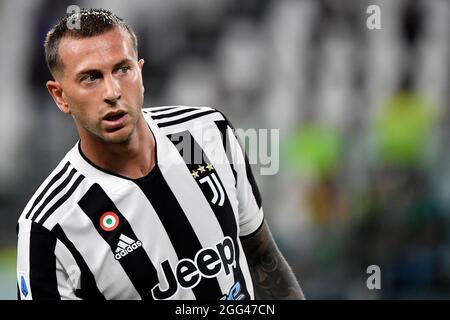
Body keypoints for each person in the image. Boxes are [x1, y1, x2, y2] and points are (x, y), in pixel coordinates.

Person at [16, 8, 304, 300]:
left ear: (140, 73)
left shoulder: (205, 135)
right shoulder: (48, 227)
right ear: (60, 96)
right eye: (91, 78)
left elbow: (262, 258)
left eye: (122, 69)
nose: (112, 91)